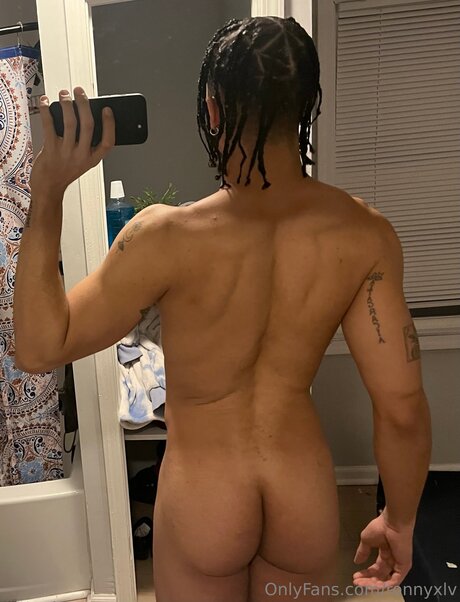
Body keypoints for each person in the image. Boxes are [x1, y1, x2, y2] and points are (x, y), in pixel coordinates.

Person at [14, 16, 431, 602]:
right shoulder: (365, 234)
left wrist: (48, 191)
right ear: (306, 107)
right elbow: (403, 407)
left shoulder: (164, 237)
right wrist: (400, 520)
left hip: (205, 497)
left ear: (212, 110)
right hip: (301, 492)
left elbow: (39, 347)